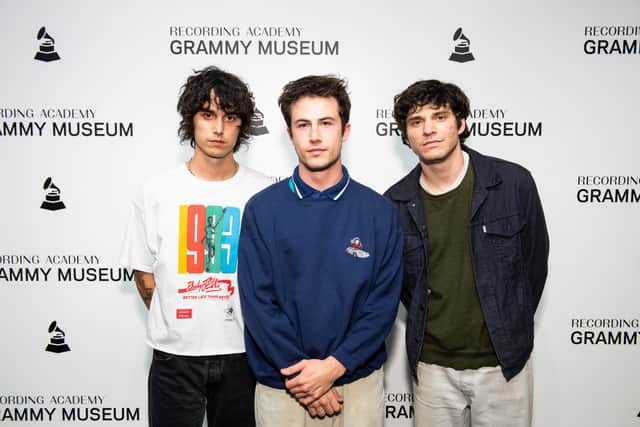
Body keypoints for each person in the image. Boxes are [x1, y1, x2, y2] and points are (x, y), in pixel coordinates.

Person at [238, 75, 403, 427]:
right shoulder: (262, 210)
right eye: (303, 125)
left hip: (357, 384)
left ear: (345, 130)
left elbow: (382, 304)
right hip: (283, 386)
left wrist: (334, 367)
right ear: (289, 134)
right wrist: (306, 379)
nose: (314, 136)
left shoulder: (379, 212)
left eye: (326, 123)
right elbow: (258, 303)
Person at [384, 79, 549, 426]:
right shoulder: (396, 203)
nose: (428, 129)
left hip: (502, 364)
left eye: (439, 116)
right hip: (431, 369)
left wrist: (509, 324)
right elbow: (405, 288)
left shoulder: (513, 183)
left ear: (461, 123)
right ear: (406, 135)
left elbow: (533, 266)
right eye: (416, 122)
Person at [121, 66, 272, 427]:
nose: (218, 129)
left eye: (230, 117)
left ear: (243, 125)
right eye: (208, 115)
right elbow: (143, 271)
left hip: (244, 354)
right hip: (174, 357)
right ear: (191, 121)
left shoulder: (265, 193)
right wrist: (176, 320)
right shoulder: (156, 190)